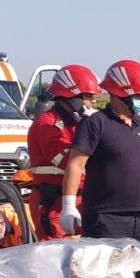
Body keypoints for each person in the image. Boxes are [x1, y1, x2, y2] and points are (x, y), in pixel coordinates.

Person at [60, 60, 140, 242]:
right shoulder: (95, 123)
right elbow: (75, 164)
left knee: (135, 270)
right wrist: (68, 205)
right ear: (122, 93)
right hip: (105, 217)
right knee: (107, 271)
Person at [27, 64, 99, 240]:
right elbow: (69, 161)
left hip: (77, 200)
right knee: (57, 258)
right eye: (89, 96)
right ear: (72, 96)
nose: (94, 101)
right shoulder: (48, 124)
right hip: (55, 204)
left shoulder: (74, 122)